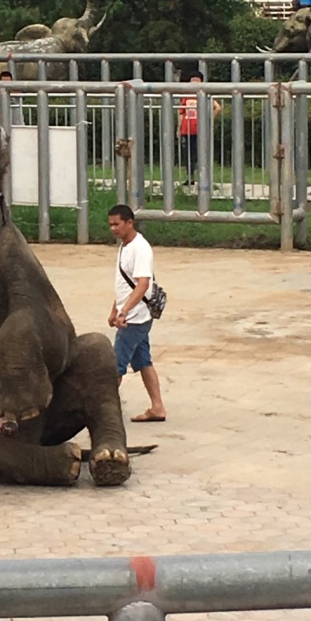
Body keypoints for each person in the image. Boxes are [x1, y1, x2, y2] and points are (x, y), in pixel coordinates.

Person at [107, 203, 166, 423]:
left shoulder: (140, 248)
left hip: (134, 319)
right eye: (111, 225)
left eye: (117, 224)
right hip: (130, 315)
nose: (113, 229)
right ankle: (158, 407)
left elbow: (142, 284)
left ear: (129, 223)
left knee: (115, 367)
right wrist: (115, 309)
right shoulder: (125, 245)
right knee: (143, 362)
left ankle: (106, 414)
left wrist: (124, 312)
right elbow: (125, 283)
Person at [177, 71, 221, 189]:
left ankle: (203, 178)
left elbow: (217, 107)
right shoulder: (186, 96)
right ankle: (190, 177)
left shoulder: (205, 94)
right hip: (187, 129)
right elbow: (181, 113)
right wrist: (179, 128)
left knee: (200, 154)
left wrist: (208, 120)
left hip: (200, 130)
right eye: (192, 79)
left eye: (197, 79)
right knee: (188, 155)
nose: (194, 82)